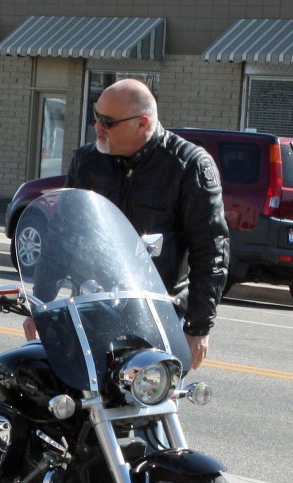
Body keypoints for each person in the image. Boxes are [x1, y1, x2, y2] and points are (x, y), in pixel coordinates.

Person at [23, 78, 229, 370]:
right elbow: (61, 236)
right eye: (96, 117)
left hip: (160, 313)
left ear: (142, 123)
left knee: (153, 406)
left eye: (107, 121)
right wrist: (40, 306)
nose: (97, 127)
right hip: (91, 308)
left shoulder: (188, 165)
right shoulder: (87, 161)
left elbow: (211, 251)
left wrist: (198, 327)